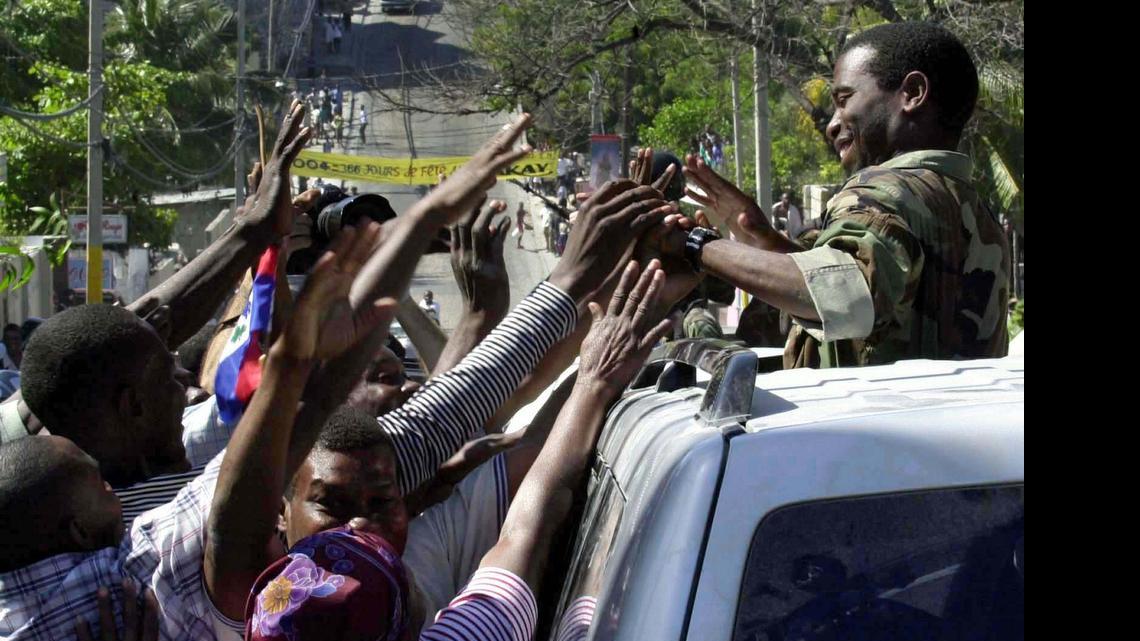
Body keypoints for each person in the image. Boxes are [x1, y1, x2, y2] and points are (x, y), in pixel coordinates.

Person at [662, 21, 1010, 369]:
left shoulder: (883, 190)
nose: (832, 123)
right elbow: (885, 296)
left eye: (844, 100)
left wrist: (695, 245)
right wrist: (768, 241)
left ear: (913, 93)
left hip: (866, 422)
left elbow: (844, 295)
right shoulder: (978, 214)